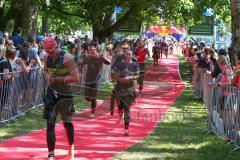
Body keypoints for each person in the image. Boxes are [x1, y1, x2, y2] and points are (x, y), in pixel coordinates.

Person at [43, 38, 80, 160]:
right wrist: (48, 77)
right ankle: (51, 154)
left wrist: (58, 79)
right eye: (47, 51)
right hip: (52, 92)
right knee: (50, 122)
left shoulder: (67, 57)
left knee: (67, 123)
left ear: (57, 47)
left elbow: (76, 77)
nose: (50, 54)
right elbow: (45, 71)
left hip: (65, 94)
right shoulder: (46, 57)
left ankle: (71, 147)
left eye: (52, 51)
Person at [111, 49, 140, 136]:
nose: (127, 56)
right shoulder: (118, 63)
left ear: (131, 55)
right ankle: (120, 115)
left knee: (127, 108)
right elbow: (112, 74)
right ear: (124, 55)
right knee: (120, 106)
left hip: (129, 90)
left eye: (129, 54)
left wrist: (131, 78)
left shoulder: (134, 64)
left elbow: (138, 75)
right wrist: (120, 79)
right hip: (119, 88)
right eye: (126, 54)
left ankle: (126, 129)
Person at [79, 42, 110, 118]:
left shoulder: (100, 57)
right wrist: (80, 72)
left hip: (97, 79)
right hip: (88, 79)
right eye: (90, 50)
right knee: (87, 97)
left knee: (93, 97)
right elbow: (81, 64)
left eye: (93, 50)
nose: (91, 51)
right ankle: (92, 102)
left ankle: (92, 112)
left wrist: (102, 58)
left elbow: (108, 63)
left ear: (96, 50)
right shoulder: (87, 57)